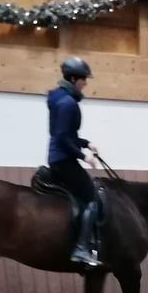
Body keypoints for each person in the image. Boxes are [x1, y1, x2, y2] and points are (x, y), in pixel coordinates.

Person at [47, 56, 103, 267]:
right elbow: (62, 139)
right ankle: (81, 248)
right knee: (91, 199)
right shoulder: (68, 103)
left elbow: (65, 134)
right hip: (63, 160)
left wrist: (86, 143)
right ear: (73, 78)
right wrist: (83, 156)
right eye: (83, 79)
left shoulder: (60, 99)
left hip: (60, 157)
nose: (85, 83)